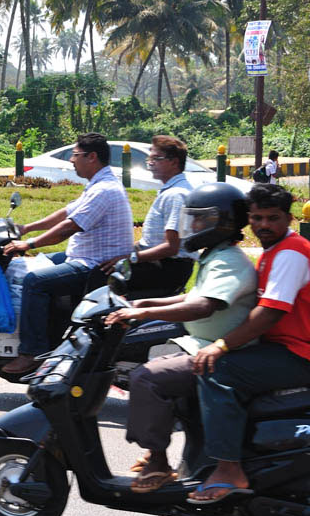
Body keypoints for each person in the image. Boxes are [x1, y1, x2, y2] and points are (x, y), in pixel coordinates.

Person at [104, 183, 257, 493]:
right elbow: (191, 296)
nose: (193, 226)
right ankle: (164, 451)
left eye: (199, 219)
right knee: (156, 361)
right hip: (202, 345)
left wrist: (144, 314)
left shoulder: (229, 261)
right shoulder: (215, 255)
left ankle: (159, 462)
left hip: (221, 353)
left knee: (146, 378)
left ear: (220, 221)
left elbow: (202, 306)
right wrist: (141, 304)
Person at [187, 183, 310, 504]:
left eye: (273, 218)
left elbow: (270, 313)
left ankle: (229, 470)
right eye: (257, 218)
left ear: (289, 218)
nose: (264, 225)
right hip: (282, 347)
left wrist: (221, 346)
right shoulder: (273, 252)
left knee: (217, 371)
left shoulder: (291, 252)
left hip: (299, 352)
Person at [2, 133, 134, 374]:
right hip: (83, 256)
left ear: (92, 157)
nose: (72, 161)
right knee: (25, 266)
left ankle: (32, 352)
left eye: (75, 155)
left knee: (34, 282)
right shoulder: (97, 184)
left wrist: (29, 243)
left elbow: (69, 226)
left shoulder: (104, 190)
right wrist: (25, 228)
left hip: (94, 266)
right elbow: (66, 212)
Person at [127, 135, 197, 293]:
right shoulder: (171, 190)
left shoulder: (177, 194)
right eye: (149, 159)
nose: (150, 163)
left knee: (100, 276)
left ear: (174, 162)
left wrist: (132, 257)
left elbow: (171, 247)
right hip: (157, 264)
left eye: (157, 158)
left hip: (166, 268)